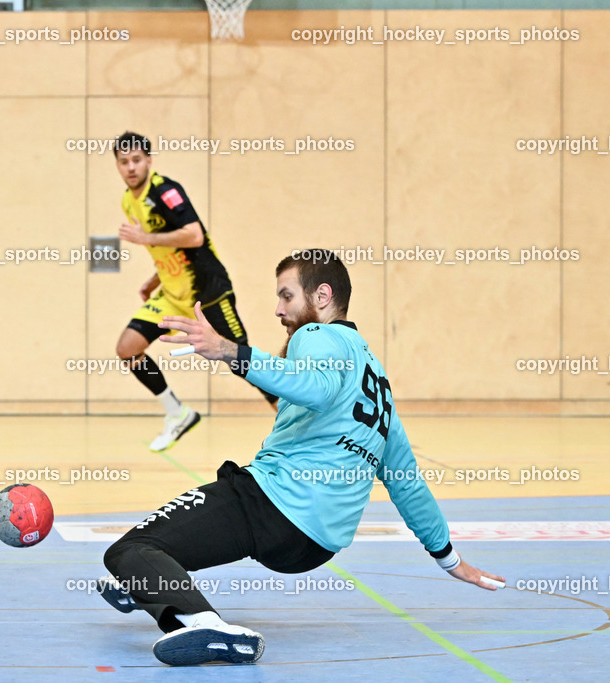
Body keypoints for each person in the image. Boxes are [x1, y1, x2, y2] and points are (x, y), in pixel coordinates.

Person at [99, 249, 504, 666]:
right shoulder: (376, 380)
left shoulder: (316, 337)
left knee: (128, 550)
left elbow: (314, 387)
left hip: (274, 505)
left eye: (287, 296)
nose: (279, 310)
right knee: (153, 556)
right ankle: (148, 585)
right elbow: (405, 479)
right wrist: (448, 557)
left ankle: (208, 626)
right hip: (313, 545)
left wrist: (228, 350)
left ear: (322, 296)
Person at [113, 131, 276, 452]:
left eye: (136, 160)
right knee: (127, 348)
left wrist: (146, 239)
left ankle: (294, 414)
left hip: (207, 289)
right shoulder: (127, 200)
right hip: (172, 293)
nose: (130, 167)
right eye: (123, 162)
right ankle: (177, 413)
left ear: (149, 161)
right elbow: (169, 248)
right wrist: (155, 280)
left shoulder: (166, 191)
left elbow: (194, 235)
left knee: (239, 358)